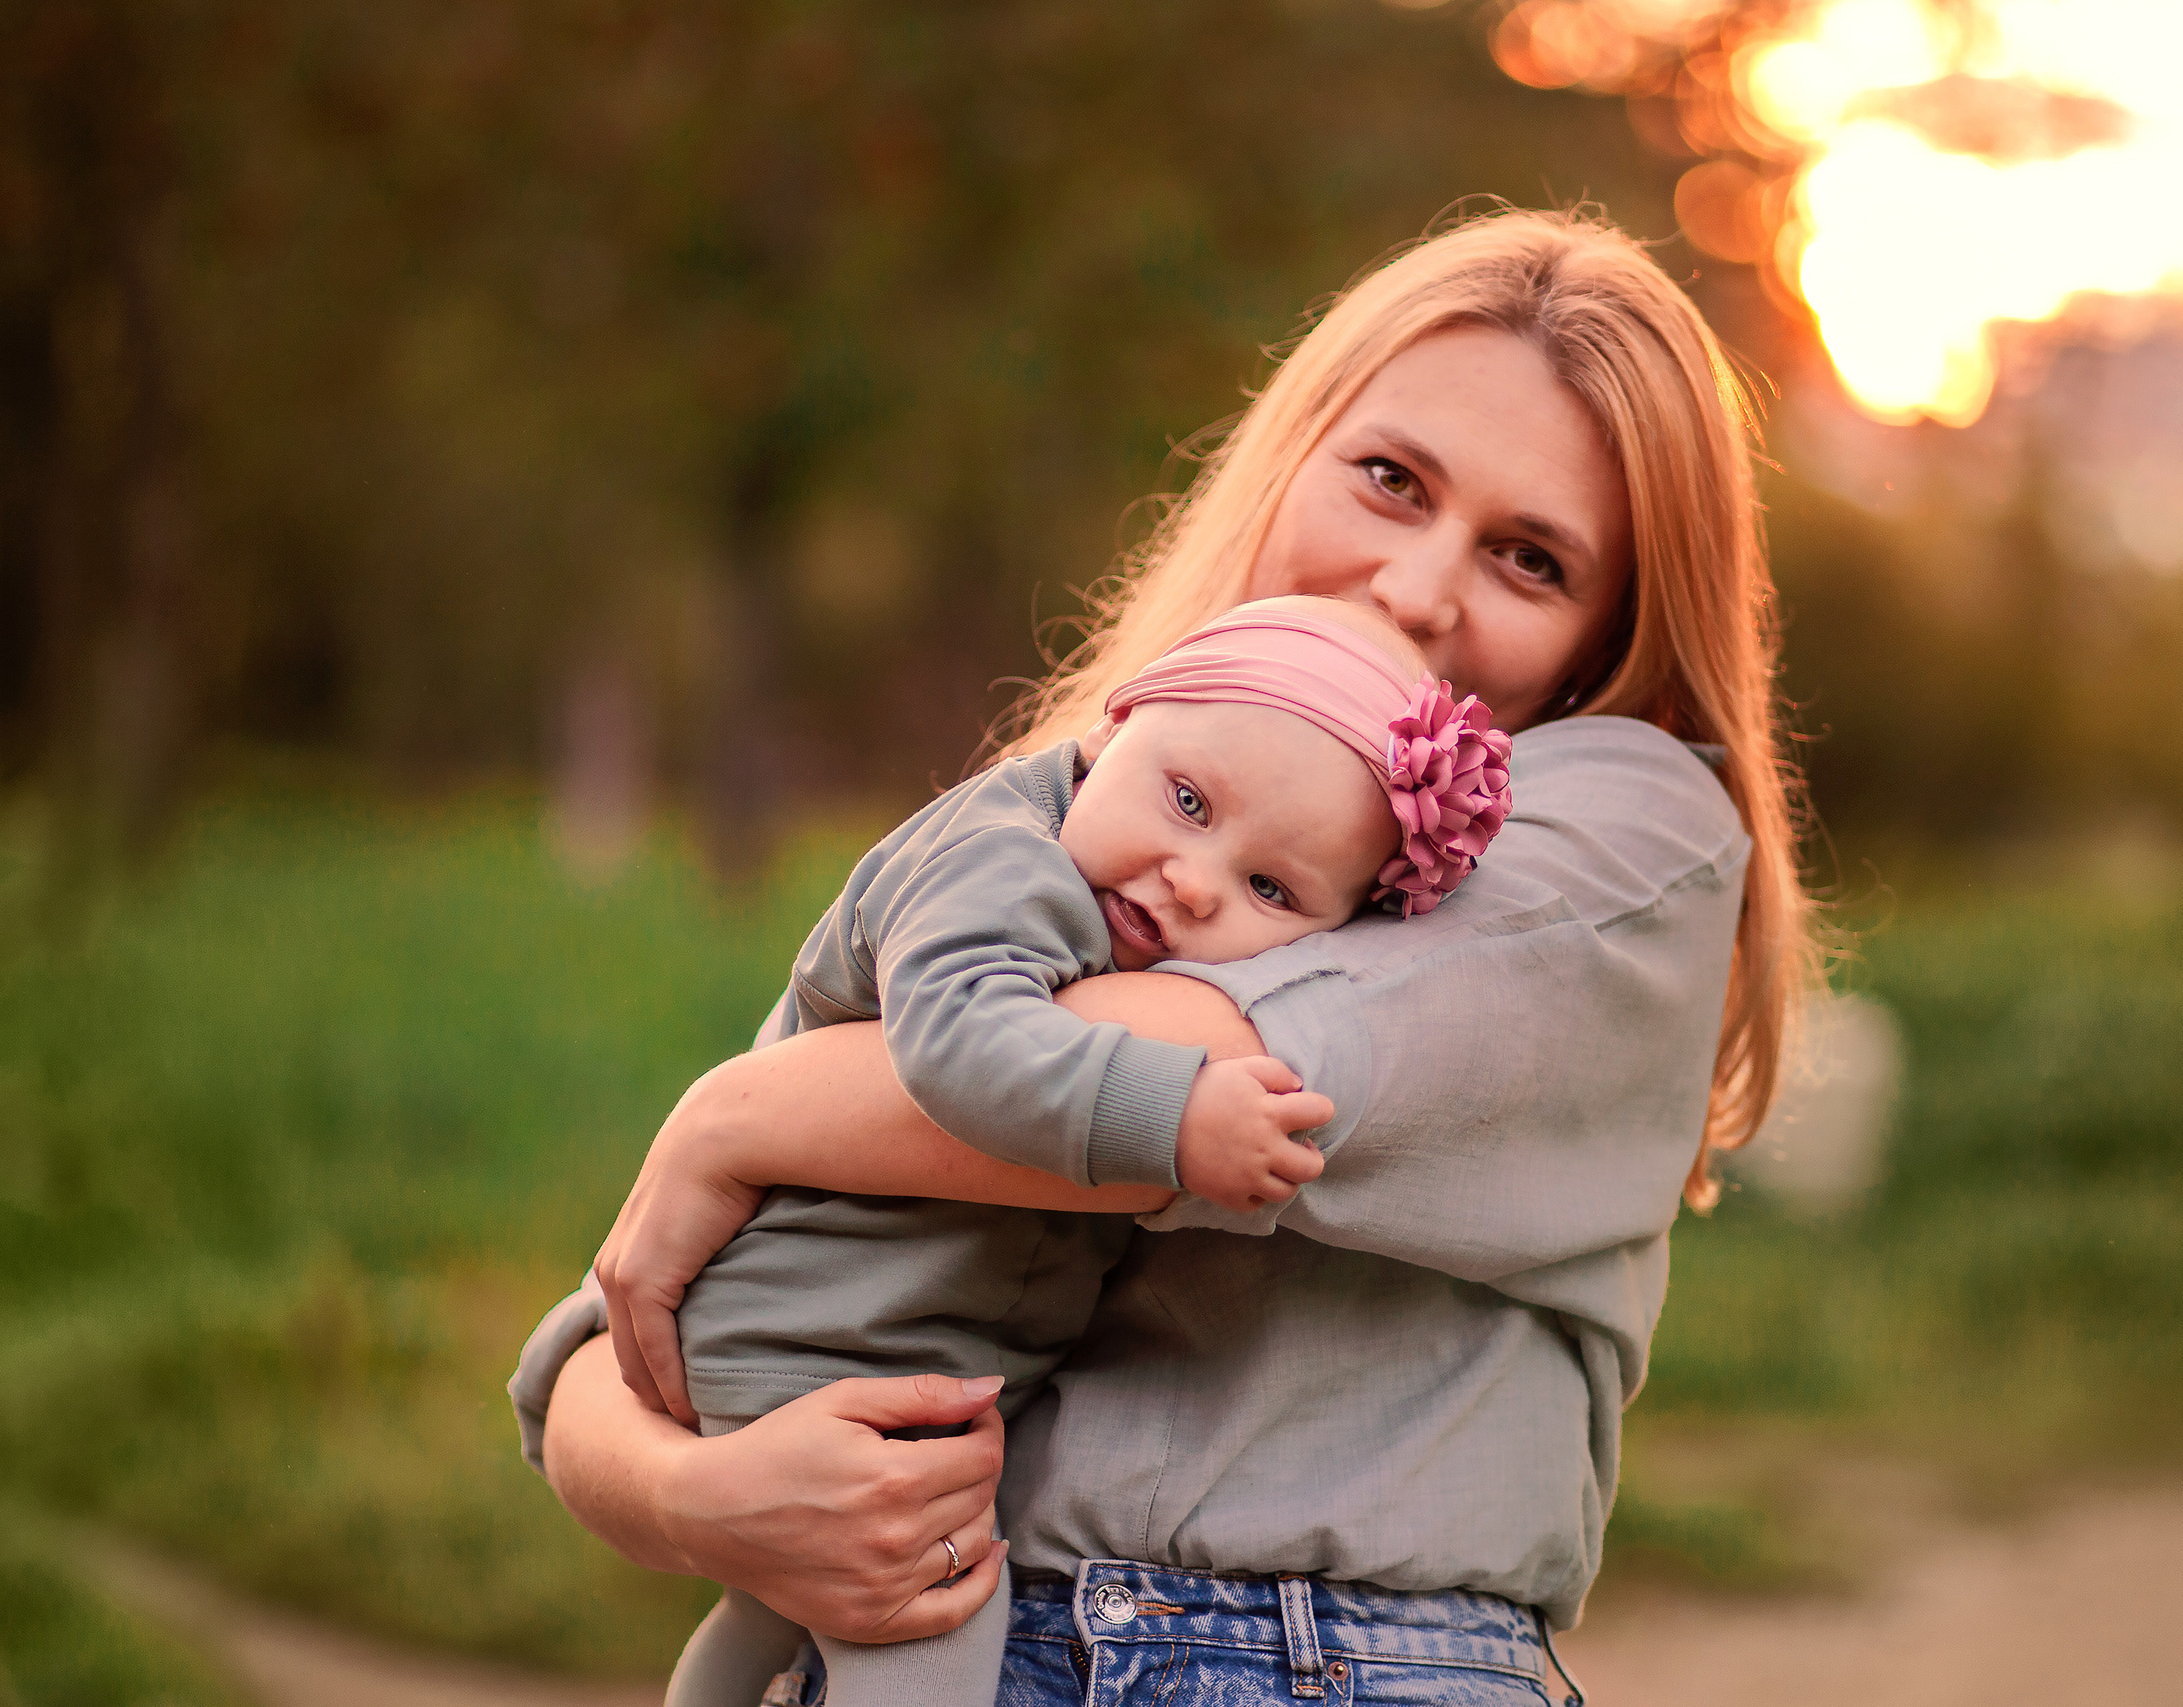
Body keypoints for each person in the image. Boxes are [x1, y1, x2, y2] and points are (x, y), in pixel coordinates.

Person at [511, 208, 1813, 1706]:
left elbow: (1203, 1087)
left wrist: (732, 1113)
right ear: (1293, 455)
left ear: (1604, 639)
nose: (1415, 589)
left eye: (1530, 558)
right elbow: (628, 1326)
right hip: (951, 1631)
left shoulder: (1630, 828)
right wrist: (710, 1504)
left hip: (1325, 1663)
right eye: (1391, 478)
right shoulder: (1092, 812)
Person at [665, 597, 1511, 1707]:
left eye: (1271, 890)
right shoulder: (1000, 862)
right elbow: (957, 1046)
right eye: (1189, 799)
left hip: (848, 1326)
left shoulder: (1087, 870)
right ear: (1114, 730)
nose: (1195, 878)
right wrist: (1170, 1116)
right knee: (929, 1625)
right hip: (826, 1336)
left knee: (771, 1611)